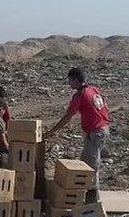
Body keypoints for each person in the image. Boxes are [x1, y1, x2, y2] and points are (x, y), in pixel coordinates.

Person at [43, 67, 111, 203]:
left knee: (91, 166)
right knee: (85, 164)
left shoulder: (79, 96)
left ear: (75, 80)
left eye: (70, 80)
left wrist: (51, 132)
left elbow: (68, 117)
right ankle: (84, 197)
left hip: (96, 132)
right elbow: (105, 106)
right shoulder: (93, 89)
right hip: (101, 129)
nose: (69, 84)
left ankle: (93, 203)